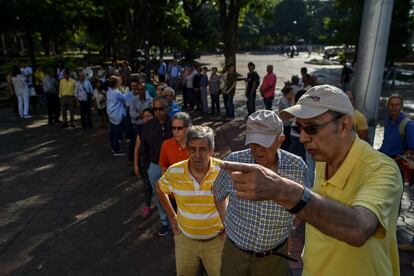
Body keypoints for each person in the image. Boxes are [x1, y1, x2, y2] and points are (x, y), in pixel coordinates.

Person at [222, 85, 403, 276]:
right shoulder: (323, 160)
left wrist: (282, 190)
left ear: (344, 125)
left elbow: (359, 228)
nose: (302, 138)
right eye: (300, 128)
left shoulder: (382, 169)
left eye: (312, 128)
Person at [214, 110, 308, 276]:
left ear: (281, 140)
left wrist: (291, 228)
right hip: (235, 253)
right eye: (253, 142)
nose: (257, 150)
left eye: (264, 143)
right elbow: (218, 192)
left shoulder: (297, 166)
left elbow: (302, 203)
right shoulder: (234, 162)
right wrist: (225, 222)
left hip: (274, 256)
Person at [156, 126, 225, 276]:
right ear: (187, 150)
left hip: (217, 242)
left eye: (203, 149)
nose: (197, 155)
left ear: (211, 150)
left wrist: (230, 224)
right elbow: (160, 188)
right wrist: (172, 216)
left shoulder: (223, 170)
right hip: (185, 241)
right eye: (192, 149)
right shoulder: (174, 171)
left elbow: (237, 195)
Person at [140, 97, 173, 236]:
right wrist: (147, 167)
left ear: (167, 108)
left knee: (177, 194)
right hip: (155, 166)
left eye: (161, 108)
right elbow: (143, 149)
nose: (158, 112)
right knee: (160, 196)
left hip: (173, 166)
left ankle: (180, 221)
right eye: (155, 109)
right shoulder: (147, 127)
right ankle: (165, 222)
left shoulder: (175, 124)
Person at [379, 94, 414, 185]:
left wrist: (396, 159)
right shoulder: (387, 120)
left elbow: (411, 149)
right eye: (391, 104)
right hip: (384, 160)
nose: (393, 107)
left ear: (401, 106)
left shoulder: (408, 124)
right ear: (387, 106)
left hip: (397, 165)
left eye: (397, 105)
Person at [133, 108, 155, 218]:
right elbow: (137, 148)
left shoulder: (158, 129)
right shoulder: (141, 130)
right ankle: (147, 205)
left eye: (149, 116)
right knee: (147, 186)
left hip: (156, 163)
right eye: (144, 116)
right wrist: (136, 165)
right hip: (145, 164)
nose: (146, 118)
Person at [128, 80, 153, 164]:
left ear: (145, 90)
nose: (141, 91)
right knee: (134, 144)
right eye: (139, 89)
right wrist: (143, 115)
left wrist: (140, 115)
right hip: (137, 125)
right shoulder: (134, 100)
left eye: (142, 89)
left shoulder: (150, 100)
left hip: (147, 125)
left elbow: (151, 114)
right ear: (137, 90)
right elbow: (132, 114)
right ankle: (133, 160)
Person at [106, 76, 127, 156]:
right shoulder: (116, 92)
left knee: (113, 132)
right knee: (116, 133)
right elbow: (124, 98)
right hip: (116, 114)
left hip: (111, 113)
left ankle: (114, 147)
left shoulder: (109, 90)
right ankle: (116, 150)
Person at [279, 86, 294, 150]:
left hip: (286, 123)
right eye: (291, 93)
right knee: (286, 142)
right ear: (287, 94)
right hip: (286, 124)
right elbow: (290, 113)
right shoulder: (284, 102)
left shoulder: (287, 100)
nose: (292, 95)